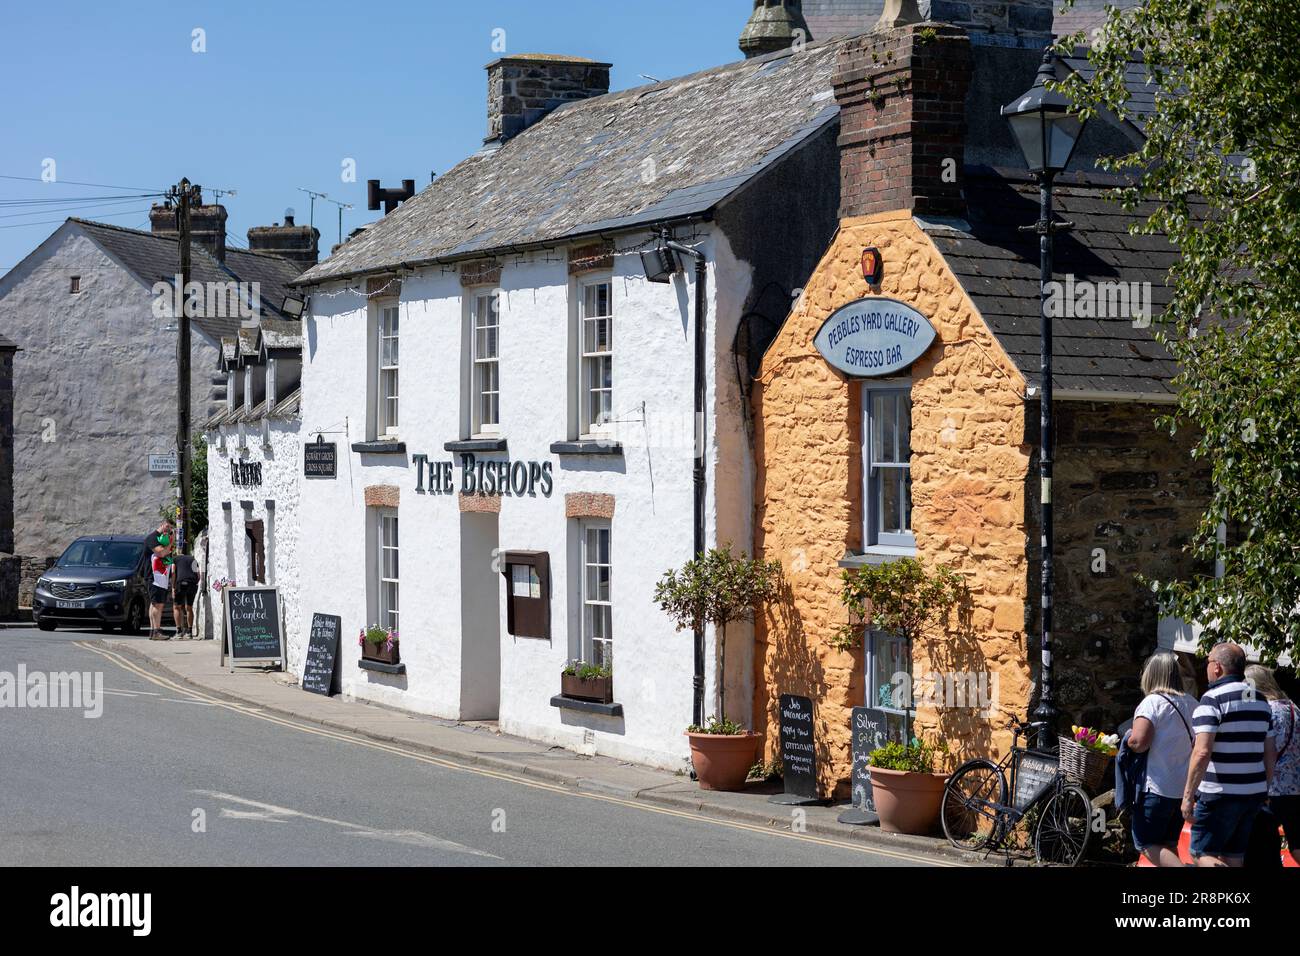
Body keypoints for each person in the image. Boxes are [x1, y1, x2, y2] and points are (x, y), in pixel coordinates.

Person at [1183, 642, 1278, 867]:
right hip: (1252, 792)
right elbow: (1270, 752)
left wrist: (1188, 796)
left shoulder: (1212, 699)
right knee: (1234, 856)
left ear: (1217, 667)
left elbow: (1202, 751)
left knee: (1200, 852)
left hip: (1219, 794)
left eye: (1207, 662)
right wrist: (1265, 789)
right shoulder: (1260, 700)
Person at [1127, 651, 1197, 866]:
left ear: (1151, 675)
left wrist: (1128, 738)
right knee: (1168, 845)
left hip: (1157, 787)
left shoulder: (1152, 703)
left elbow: (1139, 742)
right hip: (1182, 789)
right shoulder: (1193, 703)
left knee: (1146, 844)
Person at [1245, 663, 1300, 867]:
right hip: (1295, 786)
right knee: (1296, 845)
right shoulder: (1293, 707)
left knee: (1264, 844)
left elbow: (1263, 750)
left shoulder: (1267, 712)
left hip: (1273, 788)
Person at [171, 548, 201, 639]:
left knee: (177, 607)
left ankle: (179, 632)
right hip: (192, 584)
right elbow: (198, 574)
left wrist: (173, 587)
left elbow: (173, 572)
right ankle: (189, 632)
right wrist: (195, 582)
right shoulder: (193, 558)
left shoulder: (175, 559)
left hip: (181, 584)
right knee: (189, 607)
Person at [147, 548, 172, 640]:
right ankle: (156, 631)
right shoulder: (157, 558)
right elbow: (169, 565)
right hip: (158, 584)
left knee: (154, 605)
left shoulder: (158, 557)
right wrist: (168, 552)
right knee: (158, 606)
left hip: (159, 584)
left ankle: (153, 631)